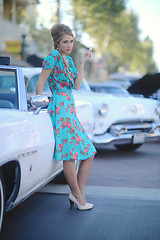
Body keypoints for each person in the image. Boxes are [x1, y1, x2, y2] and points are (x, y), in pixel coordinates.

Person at [36, 23, 96, 210]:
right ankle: (78, 196)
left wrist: (82, 61)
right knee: (69, 155)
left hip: (69, 108)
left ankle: (78, 193)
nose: (69, 45)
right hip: (59, 108)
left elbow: (77, 86)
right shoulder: (52, 57)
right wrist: (39, 105)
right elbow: (40, 83)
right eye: (65, 42)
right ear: (57, 42)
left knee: (89, 152)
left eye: (71, 41)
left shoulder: (68, 61)